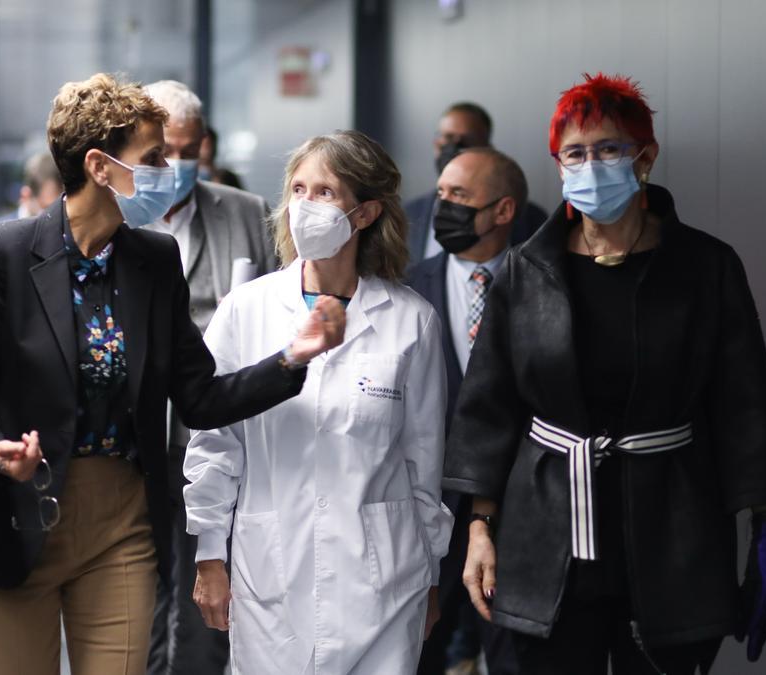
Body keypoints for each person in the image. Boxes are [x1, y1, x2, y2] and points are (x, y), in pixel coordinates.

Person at [0, 73, 346, 675]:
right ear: (100, 167)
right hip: (14, 512)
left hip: (121, 519)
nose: (171, 170)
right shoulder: (4, 251)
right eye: (152, 158)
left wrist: (292, 360)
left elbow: (199, 396)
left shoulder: (154, 259)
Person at [446, 73, 766, 675]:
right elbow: (489, 406)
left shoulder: (704, 267)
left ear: (645, 158)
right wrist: (480, 527)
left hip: (674, 524)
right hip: (548, 527)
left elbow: (744, 401)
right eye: (576, 153)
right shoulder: (524, 271)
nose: (591, 165)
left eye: (609, 149)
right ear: (558, 166)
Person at [184, 130, 453, 674]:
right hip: (270, 571)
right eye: (298, 189)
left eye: (325, 193)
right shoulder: (247, 309)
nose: (304, 206)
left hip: (384, 580)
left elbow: (424, 463)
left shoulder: (410, 320)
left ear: (365, 213)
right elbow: (216, 443)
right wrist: (209, 554)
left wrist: (430, 576)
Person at [140, 79, 276, 675]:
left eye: (190, 150)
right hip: (139, 436)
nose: (177, 165)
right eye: (163, 151)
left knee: (210, 578)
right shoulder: (116, 216)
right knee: (140, 586)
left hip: (219, 428)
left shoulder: (244, 213)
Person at [405, 147, 524, 675]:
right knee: (418, 653)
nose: (443, 206)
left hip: (515, 512)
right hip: (426, 511)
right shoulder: (407, 289)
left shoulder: (539, 283)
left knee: (513, 656)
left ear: (502, 211)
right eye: (442, 194)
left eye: (460, 197)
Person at [403, 102, 545, 263]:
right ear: (436, 143)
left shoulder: (532, 219)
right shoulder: (409, 214)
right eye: (448, 137)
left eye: (467, 140)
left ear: (487, 147)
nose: (454, 148)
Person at [16, 150, 64, 218]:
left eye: (60, 208)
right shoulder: (1, 227)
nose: (54, 214)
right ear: (26, 196)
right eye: (47, 208)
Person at [198, 126, 245, 190]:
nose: (205, 150)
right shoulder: (188, 178)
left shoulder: (227, 176)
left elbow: (243, 198)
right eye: (201, 146)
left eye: (208, 145)